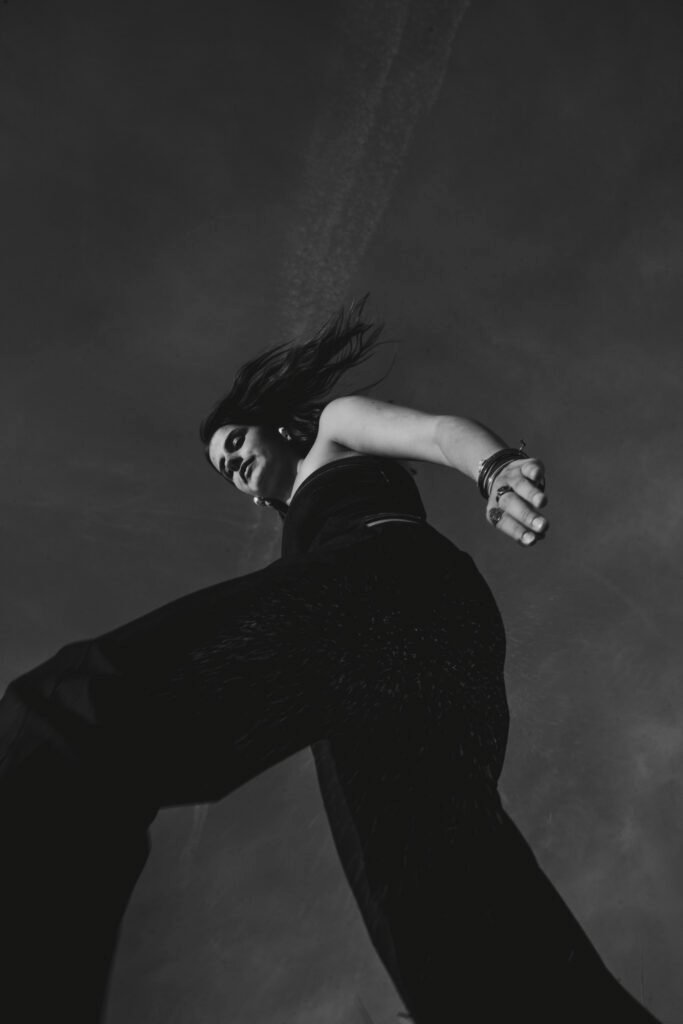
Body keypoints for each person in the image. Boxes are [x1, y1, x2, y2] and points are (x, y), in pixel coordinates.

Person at [0, 300, 661, 1023]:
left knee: (73, 709)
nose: (233, 465)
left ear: (279, 427)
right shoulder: (300, 544)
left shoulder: (334, 432)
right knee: (436, 906)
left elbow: (438, 433)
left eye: (234, 443)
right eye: (223, 468)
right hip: (396, 663)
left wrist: (495, 469)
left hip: (392, 585)